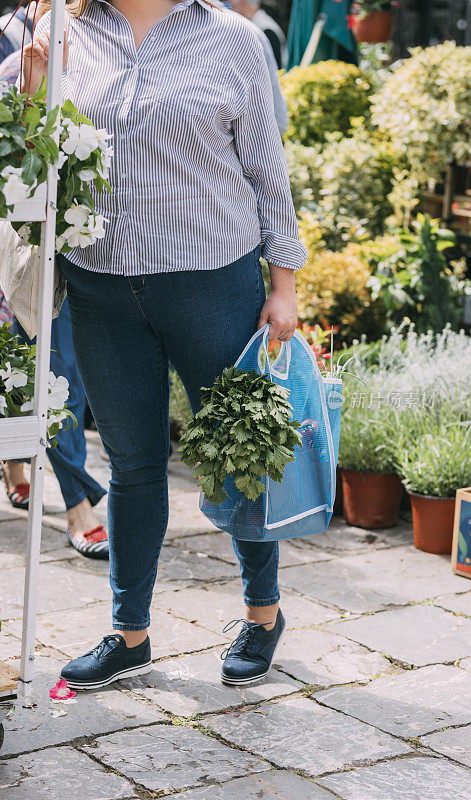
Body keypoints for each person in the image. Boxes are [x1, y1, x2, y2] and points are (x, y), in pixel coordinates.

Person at [23, 0, 308, 690]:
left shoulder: (233, 39)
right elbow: (33, 159)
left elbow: (267, 170)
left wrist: (285, 285)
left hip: (211, 281)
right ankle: (129, 634)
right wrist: (34, 82)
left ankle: (262, 615)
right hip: (98, 288)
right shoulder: (63, 29)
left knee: (239, 452)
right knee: (131, 463)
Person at [0, 1, 109, 560]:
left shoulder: (104, 34)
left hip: (72, 235)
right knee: (18, 361)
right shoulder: (9, 36)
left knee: (56, 365)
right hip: (13, 235)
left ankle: (70, 496)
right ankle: (41, 478)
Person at [230, 0, 286, 69]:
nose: (231, 3)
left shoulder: (266, 29)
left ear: (244, 2)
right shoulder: (255, 24)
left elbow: (275, 69)